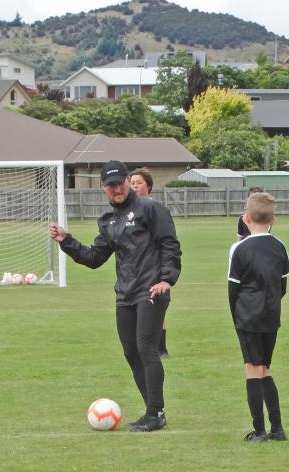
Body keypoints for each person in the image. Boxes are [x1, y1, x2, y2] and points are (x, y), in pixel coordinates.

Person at [50, 160, 181, 432]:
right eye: (111, 185)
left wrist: (166, 279)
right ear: (103, 188)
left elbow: (170, 245)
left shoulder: (151, 209)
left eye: (120, 183)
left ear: (127, 181)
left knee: (146, 349)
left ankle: (155, 412)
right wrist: (66, 240)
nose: (117, 189)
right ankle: (153, 411)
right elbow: (95, 258)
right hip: (125, 294)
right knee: (131, 353)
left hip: (151, 290)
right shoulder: (108, 221)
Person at [227, 192, 289, 442]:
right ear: (273, 218)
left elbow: (233, 289)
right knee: (265, 368)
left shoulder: (239, 248)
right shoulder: (279, 246)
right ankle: (277, 428)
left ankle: (260, 431)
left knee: (253, 369)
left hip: (248, 317)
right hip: (271, 316)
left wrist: (238, 316)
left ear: (246, 218)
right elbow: (283, 285)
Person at [129, 167, 170, 359]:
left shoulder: (156, 210)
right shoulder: (128, 211)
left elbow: (167, 242)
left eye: (139, 182)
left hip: (156, 270)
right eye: (132, 183)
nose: (135, 186)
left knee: (156, 311)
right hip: (135, 272)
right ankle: (147, 348)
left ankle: (160, 348)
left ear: (149, 186)